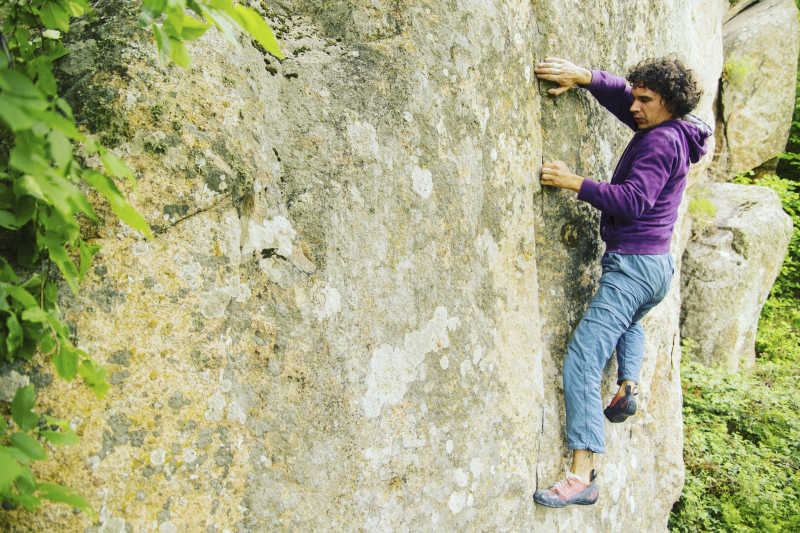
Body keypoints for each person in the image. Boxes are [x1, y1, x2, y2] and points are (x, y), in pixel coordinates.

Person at [531, 57, 711, 508]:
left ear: (669, 103)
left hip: (632, 267)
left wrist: (574, 182)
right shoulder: (677, 130)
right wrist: (586, 78)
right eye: (636, 96)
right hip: (656, 269)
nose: (634, 106)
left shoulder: (659, 142)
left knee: (582, 359)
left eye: (645, 100)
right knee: (630, 321)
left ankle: (581, 474)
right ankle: (628, 384)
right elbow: (622, 95)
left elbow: (633, 201)